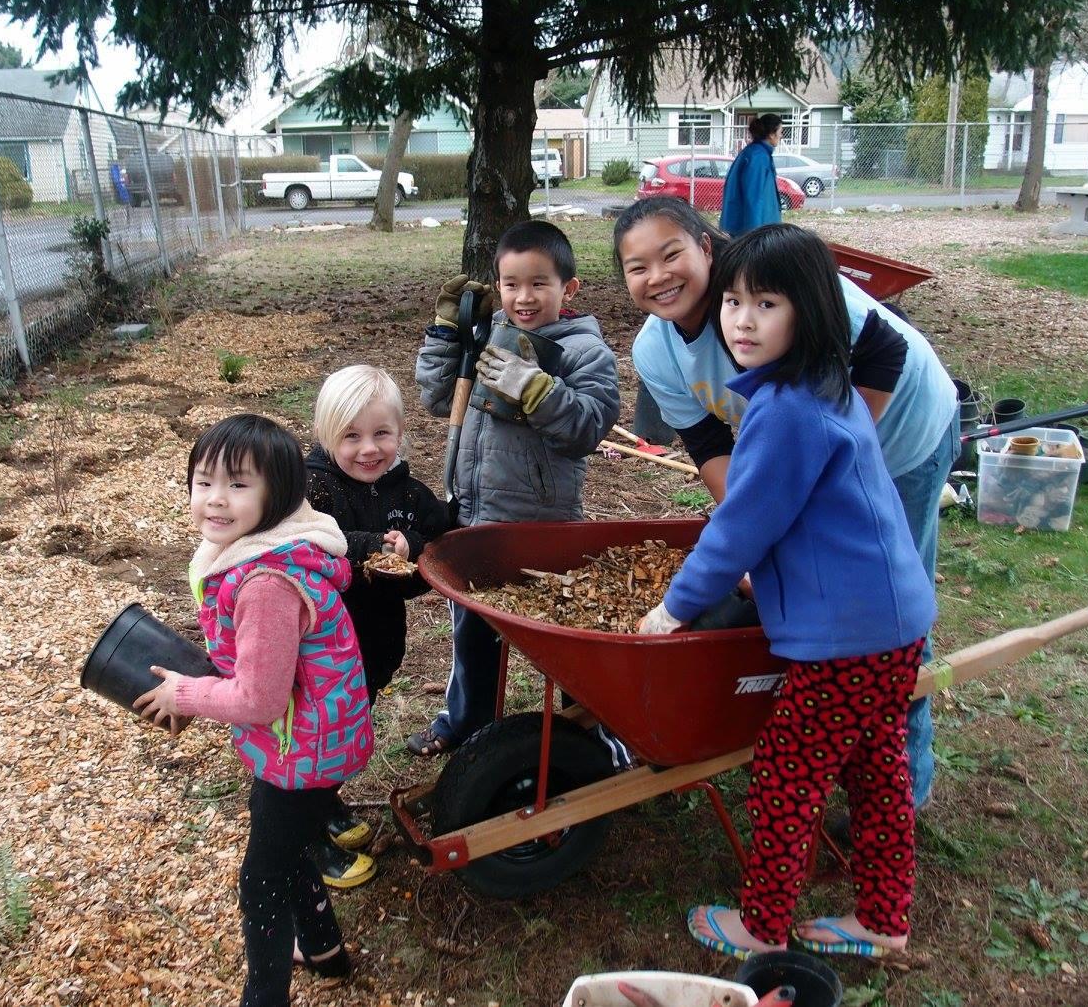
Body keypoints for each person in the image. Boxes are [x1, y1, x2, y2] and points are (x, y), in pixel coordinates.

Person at [638, 224, 936, 959]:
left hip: (845, 635)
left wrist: (675, 608)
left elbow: (740, 527)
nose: (741, 320)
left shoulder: (783, 412)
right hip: (891, 618)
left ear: (809, 310)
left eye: (766, 304)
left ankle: (763, 927)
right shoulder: (821, 386)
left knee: (785, 776)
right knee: (876, 770)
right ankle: (885, 919)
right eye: (734, 302)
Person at [614, 196, 958, 811]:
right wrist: (757, 523)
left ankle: (905, 785)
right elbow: (710, 443)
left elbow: (883, 350)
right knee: (814, 599)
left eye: (672, 255)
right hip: (804, 451)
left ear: (707, 248)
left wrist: (835, 463)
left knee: (884, 617)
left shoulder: (778, 284)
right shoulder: (656, 350)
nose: (658, 276)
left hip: (902, 435)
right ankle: (825, 731)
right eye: (637, 268)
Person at [133, 414, 373, 1005]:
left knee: (260, 878)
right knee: (284, 845)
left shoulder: (266, 581)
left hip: (304, 749)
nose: (215, 499)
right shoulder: (261, 547)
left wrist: (184, 692)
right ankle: (324, 951)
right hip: (311, 739)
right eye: (203, 481)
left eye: (239, 484)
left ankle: (265, 995)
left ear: (278, 496)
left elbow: (260, 700)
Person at [406, 220, 620, 758]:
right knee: (472, 635)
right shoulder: (490, 335)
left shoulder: (582, 351)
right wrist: (446, 333)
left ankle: (595, 728)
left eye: (539, 283)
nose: (523, 297)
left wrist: (536, 389)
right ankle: (467, 724)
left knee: (561, 643)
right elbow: (438, 397)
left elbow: (588, 428)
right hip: (476, 517)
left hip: (539, 531)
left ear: (568, 289)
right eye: (511, 283)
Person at [303, 364, 450, 881]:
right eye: (352, 436)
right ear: (326, 436)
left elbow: (439, 536)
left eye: (382, 433)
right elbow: (314, 547)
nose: (369, 449)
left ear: (400, 434)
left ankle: (326, 804)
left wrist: (421, 555)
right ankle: (306, 840)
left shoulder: (405, 493)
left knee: (343, 733)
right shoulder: (312, 492)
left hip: (374, 644)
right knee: (315, 738)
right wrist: (373, 550)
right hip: (320, 651)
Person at [719, 114, 782, 235]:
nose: (781, 135)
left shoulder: (756, 154)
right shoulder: (758, 157)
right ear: (771, 134)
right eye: (780, 131)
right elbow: (754, 199)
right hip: (756, 233)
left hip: (756, 229)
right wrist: (755, 237)